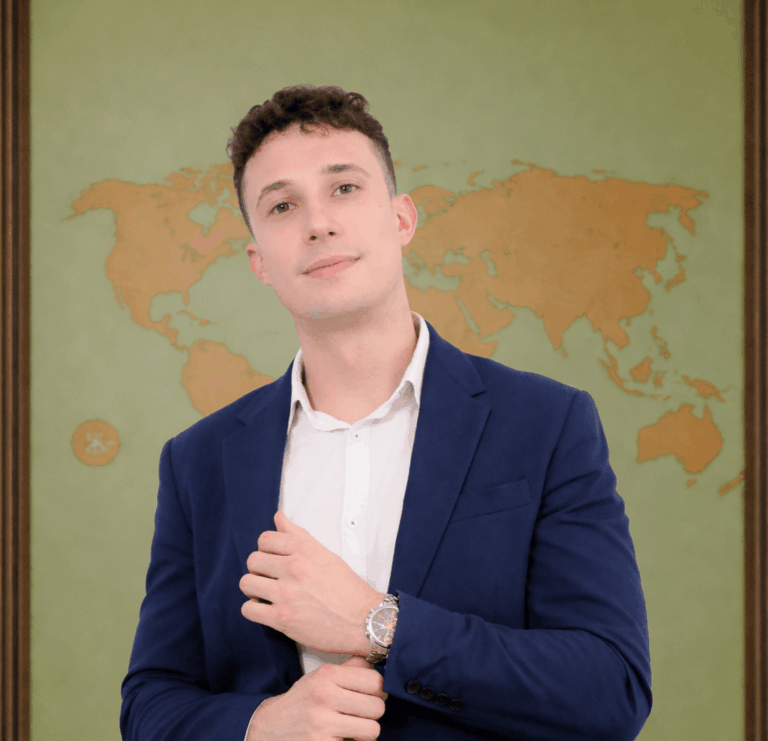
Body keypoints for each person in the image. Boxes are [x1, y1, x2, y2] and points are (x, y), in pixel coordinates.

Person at [120, 84, 652, 741]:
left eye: (344, 188)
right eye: (283, 205)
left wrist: (379, 622)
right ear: (259, 261)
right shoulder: (197, 461)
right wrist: (262, 722)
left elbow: (610, 689)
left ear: (401, 219)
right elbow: (150, 703)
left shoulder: (546, 423)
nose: (318, 222)